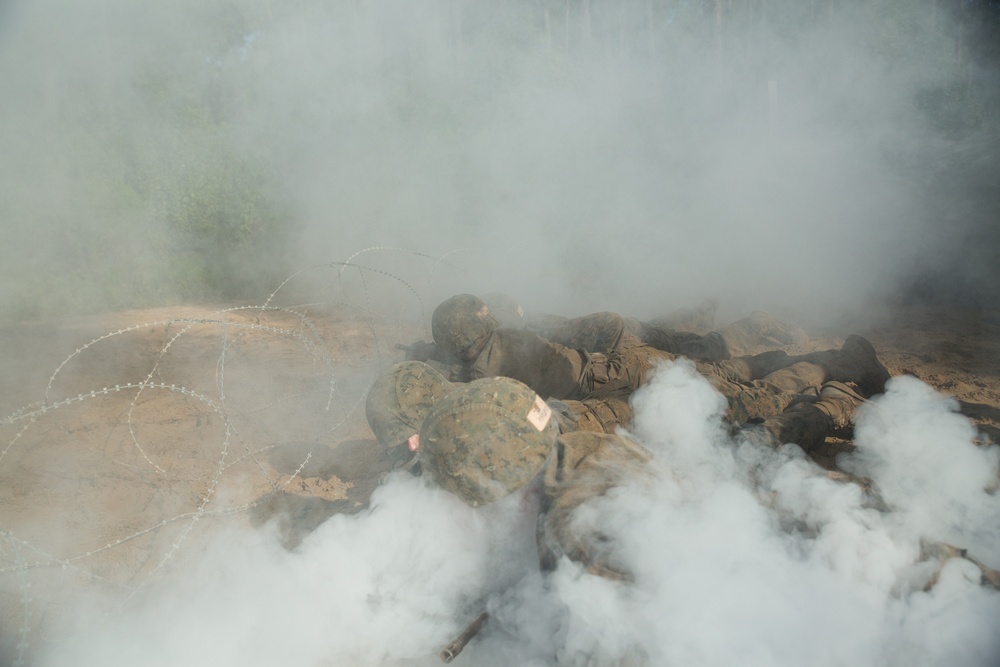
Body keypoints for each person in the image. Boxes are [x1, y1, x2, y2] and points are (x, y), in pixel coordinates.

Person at [429, 294, 890, 425]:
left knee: (738, 391)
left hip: (625, 371)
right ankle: (807, 356)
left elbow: (468, 383)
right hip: (616, 368)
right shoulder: (503, 337)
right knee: (718, 373)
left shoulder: (493, 358)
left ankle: (839, 360)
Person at [365, 361, 633, 471]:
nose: (411, 446)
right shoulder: (446, 406)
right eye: (402, 442)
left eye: (411, 435)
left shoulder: (490, 430)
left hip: (599, 426)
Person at [481, 292, 808, 361]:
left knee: (707, 352)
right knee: (666, 330)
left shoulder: (525, 337)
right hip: (628, 331)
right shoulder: (529, 321)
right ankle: (699, 311)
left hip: (626, 340)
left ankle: (758, 323)